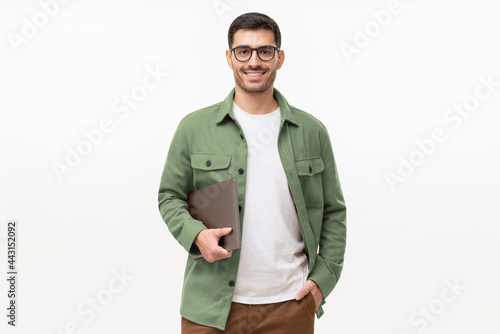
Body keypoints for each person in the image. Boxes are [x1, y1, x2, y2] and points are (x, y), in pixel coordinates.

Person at [158, 12, 347, 334]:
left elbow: (333, 211)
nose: (254, 61)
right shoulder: (194, 128)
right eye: (243, 51)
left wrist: (322, 280)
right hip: (209, 308)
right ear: (229, 58)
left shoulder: (311, 132)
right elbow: (169, 196)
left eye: (265, 51)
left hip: (291, 305)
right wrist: (195, 235)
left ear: (280, 57)